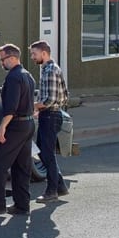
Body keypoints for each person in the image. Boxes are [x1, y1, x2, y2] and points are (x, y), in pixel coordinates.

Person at [0, 44, 37, 217]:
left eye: (2, 59)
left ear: (12, 58)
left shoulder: (13, 78)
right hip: (28, 124)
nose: (1, 63)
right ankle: (22, 205)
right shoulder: (28, 75)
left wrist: (2, 127)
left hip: (16, 125)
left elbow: (11, 107)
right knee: (21, 166)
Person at [28, 40, 70, 202]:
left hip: (51, 116)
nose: (32, 57)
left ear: (44, 53)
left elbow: (51, 99)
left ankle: (52, 191)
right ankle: (60, 186)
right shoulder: (46, 69)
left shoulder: (51, 70)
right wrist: (39, 109)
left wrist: (34, 106)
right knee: (43, 154)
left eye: (34, 53)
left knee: (47, 155)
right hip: (48, 115)